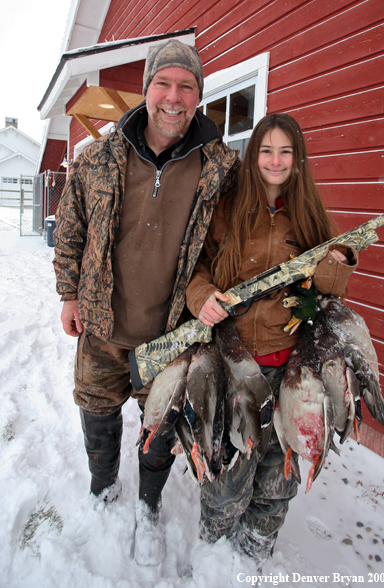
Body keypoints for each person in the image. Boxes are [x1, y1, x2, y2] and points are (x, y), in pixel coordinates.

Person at [52, 38, 239, 565]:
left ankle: (147, 506)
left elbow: (245, 230)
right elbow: (69, 233)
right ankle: (102, 486)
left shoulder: (220, 169)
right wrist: (68, 293)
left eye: (186, 86)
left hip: (172, 334)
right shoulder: (96, 158)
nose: (173, 97)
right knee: (96, 410)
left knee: (160, 426)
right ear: (146, 88)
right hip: (102, 322)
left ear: (199, 96)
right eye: (164, 83)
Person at [185, 113, 358, 565]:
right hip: (234, 363)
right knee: (227, 472)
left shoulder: (306, 214)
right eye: (266, 150)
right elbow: (197, 269)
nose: (275, 160)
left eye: (285, 151)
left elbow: (327, 289)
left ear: (297, 159)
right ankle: (212, 556)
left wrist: (336, 262)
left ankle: (255, 553)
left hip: (289, 369)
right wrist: (202, 296)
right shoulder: (228, 208)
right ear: (253, 155)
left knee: (277, 479)